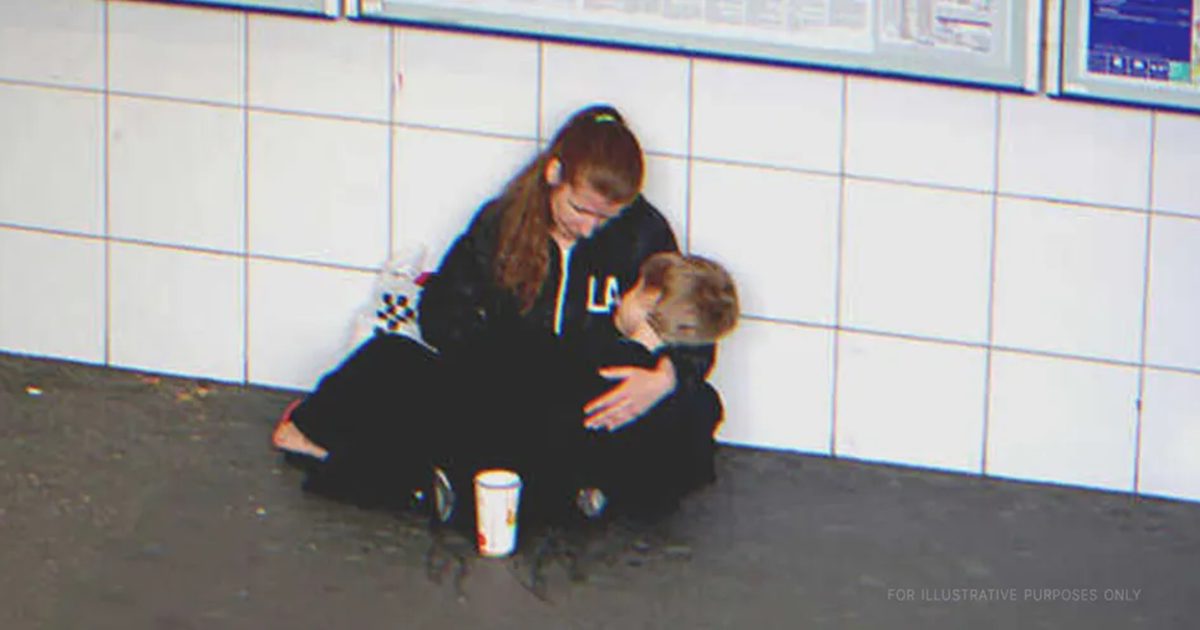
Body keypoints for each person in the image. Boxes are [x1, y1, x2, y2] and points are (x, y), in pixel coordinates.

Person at [271, 104, 725, 519]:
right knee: (393, 361)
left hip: (594, 404)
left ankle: (476, 483)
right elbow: (442, 313)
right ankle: (563, 490)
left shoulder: (645, 233)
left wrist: (664, 379)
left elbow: (693, 326)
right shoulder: (502, 222)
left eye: (606, 219)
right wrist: (499, 360)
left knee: (697, 409)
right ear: (554, 174)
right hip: (505, 395)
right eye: (579, 210)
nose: (589, 229)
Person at [430, 251, 740, 528]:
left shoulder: (598, 357)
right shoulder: (681, 393)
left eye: (633, 291)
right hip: (616, 470)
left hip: (551, 450)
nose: (621, 299)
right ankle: (597, 494)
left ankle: (470, 492)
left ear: (649, 304)